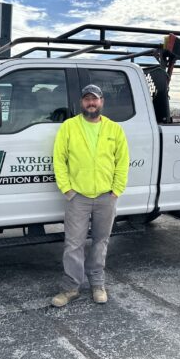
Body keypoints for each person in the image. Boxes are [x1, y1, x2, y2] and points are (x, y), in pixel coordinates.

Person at [51, 84, 129, 307]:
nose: (91, 103)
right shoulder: (69, 127)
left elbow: (122, 162)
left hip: (106, 197)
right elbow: (59, 159)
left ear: (101, 102)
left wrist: (116, 191)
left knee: (100, 242)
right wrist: (67, 189)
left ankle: (97, 284)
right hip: (78, 197)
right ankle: (71, 288)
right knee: (73, 244)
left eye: (95, 99)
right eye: (87, 99)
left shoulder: (114, 129)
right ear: (81, 102)